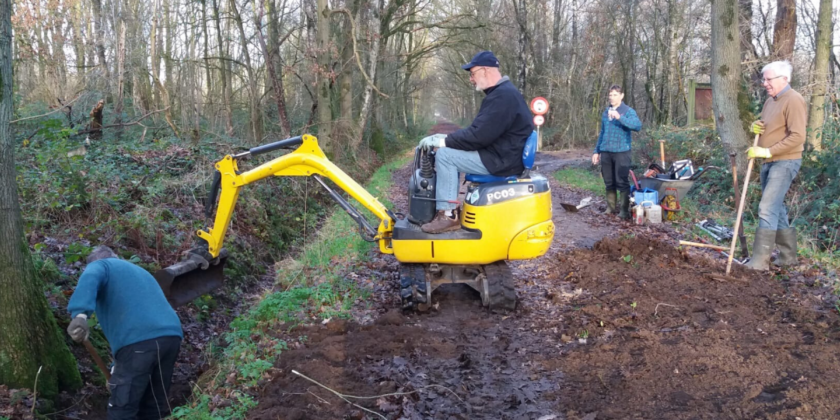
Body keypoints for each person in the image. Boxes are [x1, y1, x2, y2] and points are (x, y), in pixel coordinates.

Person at [417, 50, 534, 233]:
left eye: (472, 74)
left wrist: (444, 142)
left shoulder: (502, 97)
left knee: (446, 156)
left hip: (501, 160)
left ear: (485, 70)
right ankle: (448, 208)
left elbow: (478, 137)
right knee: (448, 151)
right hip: (501, 154)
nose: (471, 79)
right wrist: (447, 139)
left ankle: (448, 215)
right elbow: (479, 131)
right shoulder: (502, 94)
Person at [67, 246, 183, 420]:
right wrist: (117, 370)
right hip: (171, 336)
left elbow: (91, 275)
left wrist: (80, 314)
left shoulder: (101, 266)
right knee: (154, 404)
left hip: (139, 341)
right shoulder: (141, 273)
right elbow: (135, 317)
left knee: (123, 407)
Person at [744, 60, 806, 270]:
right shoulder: (771, 101)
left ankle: (760, 262)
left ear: (784, 79)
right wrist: (757, 128)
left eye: (769, 79)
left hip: (785, 161)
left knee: (767, 207)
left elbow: (798, 136)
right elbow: (770, 127)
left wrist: (767, 150)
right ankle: (788, 257)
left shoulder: (794, 100)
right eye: (764, 79)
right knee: (776, 208)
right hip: (769, 161)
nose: (765, 83)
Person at [591, 85, 642, 219]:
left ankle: (624, 211)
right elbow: (602, 132)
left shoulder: (628, 111)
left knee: (622, 181)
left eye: (615, 95)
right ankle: (610, 208)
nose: (612, 97)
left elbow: (637, 126)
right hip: (606, 152)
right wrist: (596, 151)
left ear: (621, 96)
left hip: (622, 151)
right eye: (610, 95)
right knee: (609, 181)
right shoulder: (606, 111)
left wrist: (619, 117)